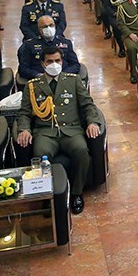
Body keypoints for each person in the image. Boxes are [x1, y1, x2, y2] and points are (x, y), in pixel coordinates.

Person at [17, 46, 101, 215]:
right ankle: (48, 195)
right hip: (45, 131)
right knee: (41, 155)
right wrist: (24, 129)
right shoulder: (32, 86)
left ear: (62, 61)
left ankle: (76, 193)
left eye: (57, 60)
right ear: (43, 64)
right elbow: (24, 112)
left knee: (81, 151)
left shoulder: (73, 80)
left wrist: (93, 122)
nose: (54, 64)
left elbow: (88, 105)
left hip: (71, 129)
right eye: (50, 61)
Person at [17, 15, 80, 81]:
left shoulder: (66, 42)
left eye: (51, 25)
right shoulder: (30, 45)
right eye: (45, 26)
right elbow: (23, 68)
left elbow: (75, 65)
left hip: (63, 80)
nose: (49, 28)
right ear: (39, 29)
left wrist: (62, 75)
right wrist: (37, 75)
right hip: (40, 81)